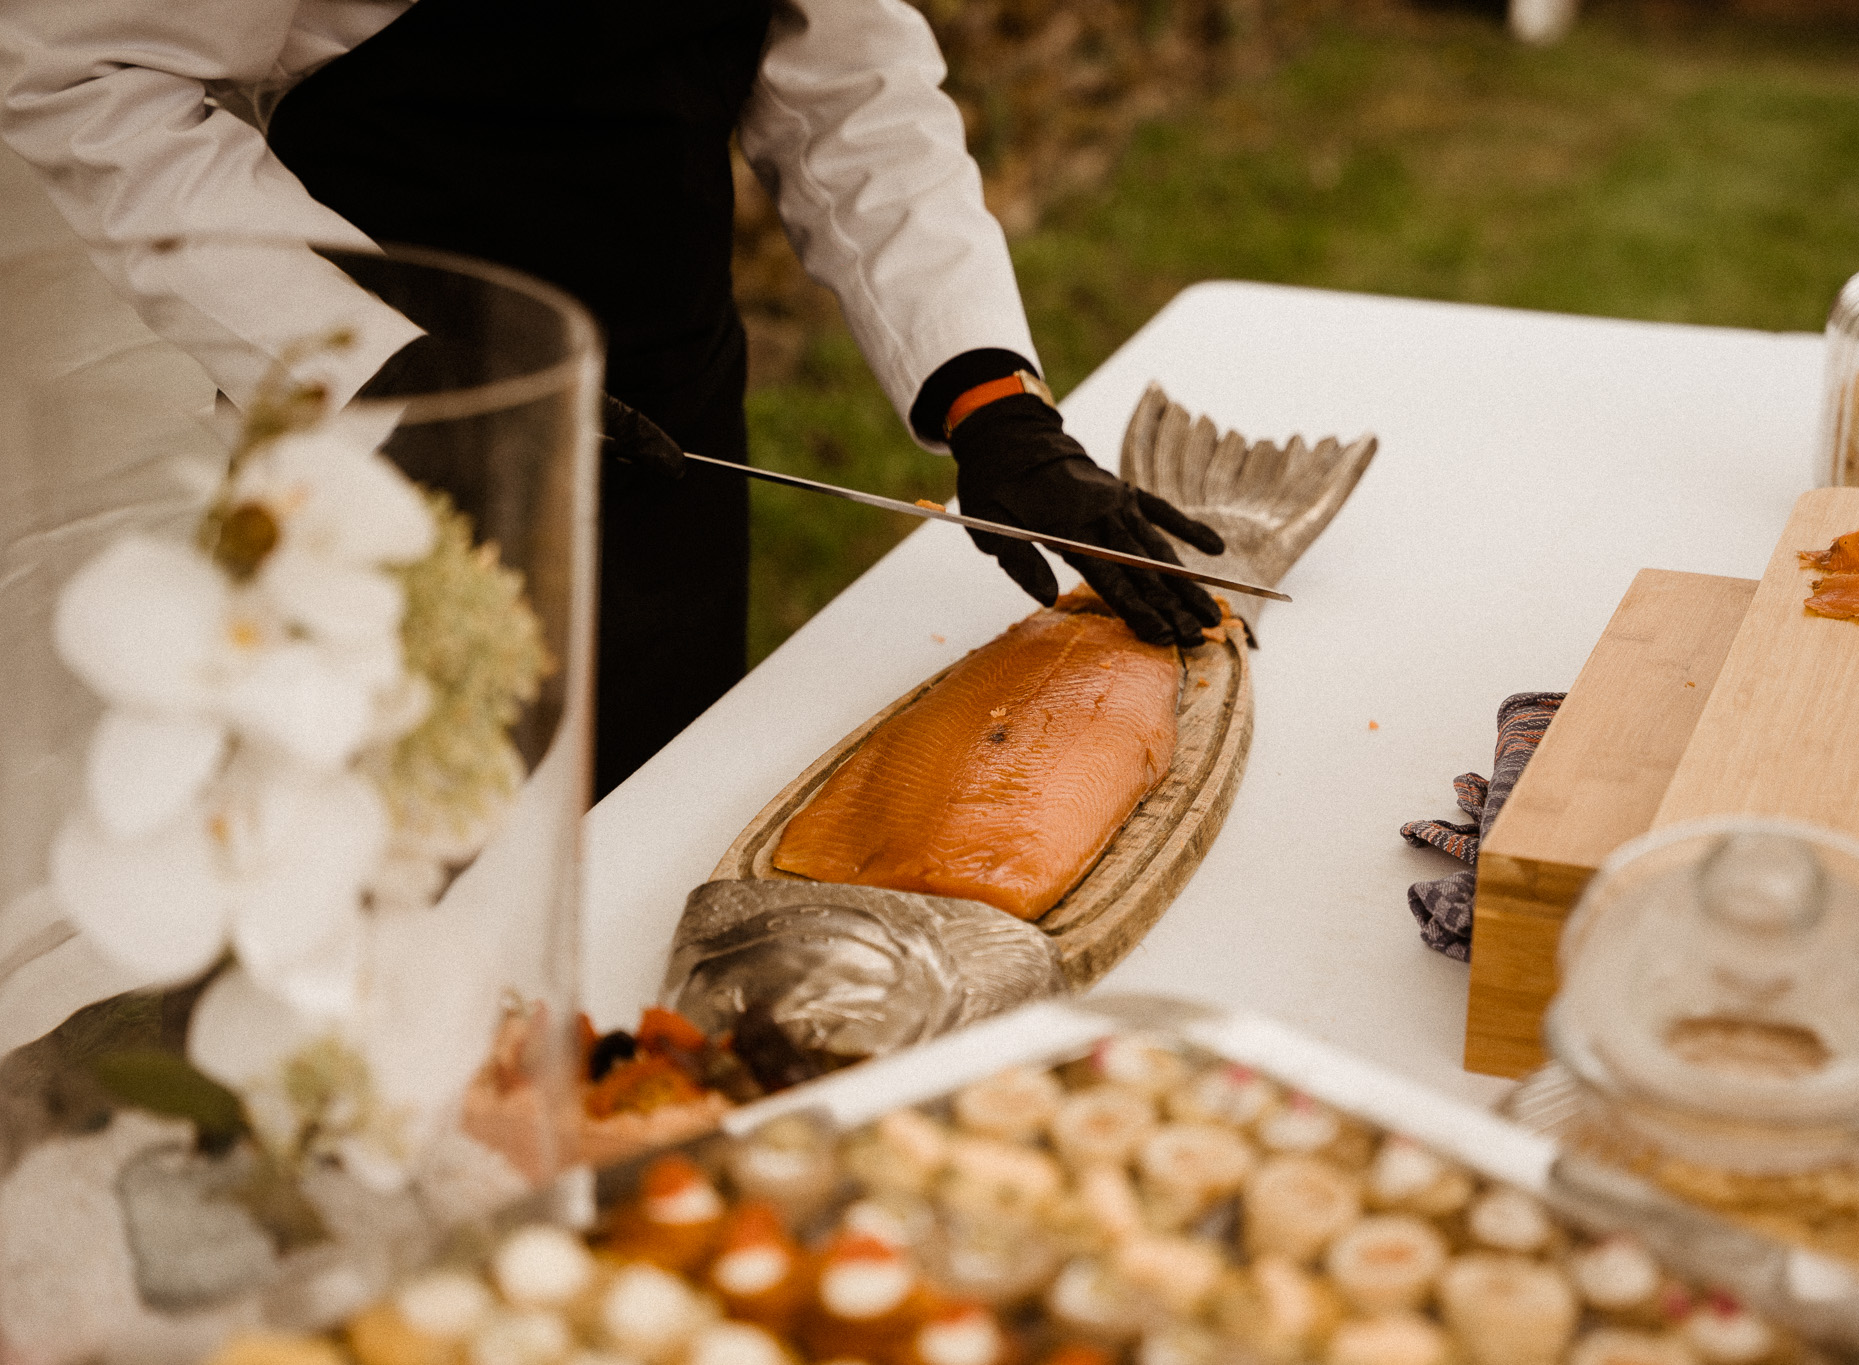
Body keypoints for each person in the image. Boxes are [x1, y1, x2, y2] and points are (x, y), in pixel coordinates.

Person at [0, 0, 1226, 799]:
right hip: (379, 448)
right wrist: (388, 369)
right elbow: (79, 74)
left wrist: (989, 401)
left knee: (653, 802)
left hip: (675, 419)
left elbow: (857, 97)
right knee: (407, 878)